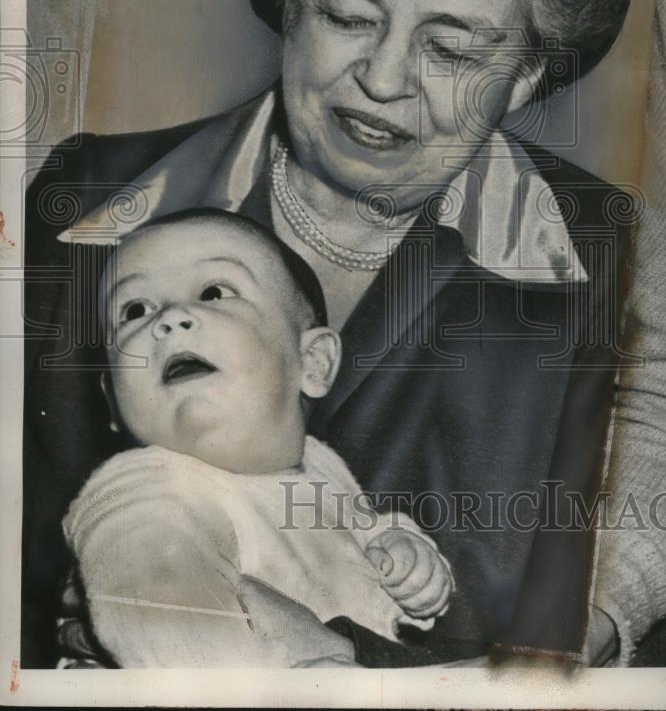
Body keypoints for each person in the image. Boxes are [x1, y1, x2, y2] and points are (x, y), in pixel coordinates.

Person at [23, 0, 640, 667]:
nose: (384, 80)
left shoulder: (618, 262)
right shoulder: (86, 198)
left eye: (450, 48)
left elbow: (575, 632)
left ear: (528, 76)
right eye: (348, 16)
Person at [61, 209, 455, 668]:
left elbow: (368, 537)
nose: (168, 319)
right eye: (134, 310)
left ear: (313, 363)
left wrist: (408, 559)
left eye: (213, 292)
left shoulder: (322, 467)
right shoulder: (143, 491)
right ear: (110, 398)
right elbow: (176, 635)